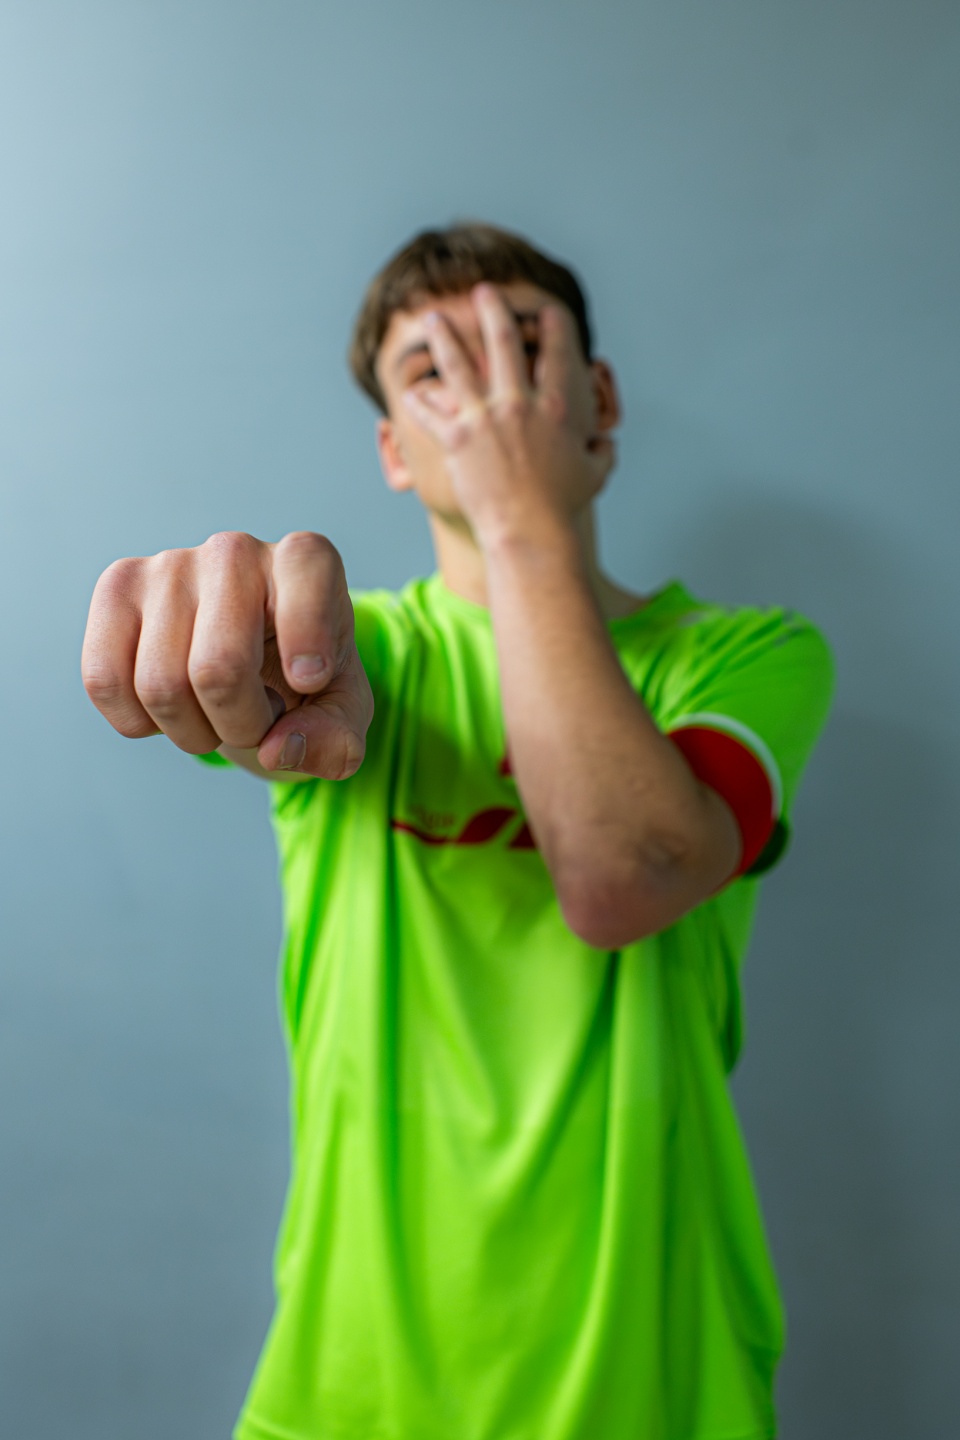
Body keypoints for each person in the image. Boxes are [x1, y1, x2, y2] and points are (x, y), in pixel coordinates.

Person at [81, 220, 835, 1440]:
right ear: (393, 449)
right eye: (436, 369)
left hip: (658, 1383)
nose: (487, 401)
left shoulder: (745, 657)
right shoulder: (369, 657)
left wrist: (517, 515)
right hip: (348, 1392)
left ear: (599, 402)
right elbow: (289, 667)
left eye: (522, 350)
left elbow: (624, 876)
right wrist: (223, 618)